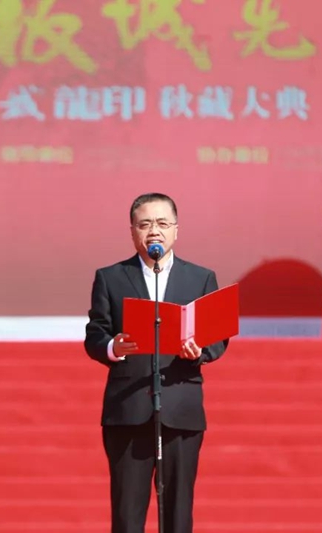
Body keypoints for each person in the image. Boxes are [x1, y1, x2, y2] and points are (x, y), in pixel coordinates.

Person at [84, 192, 229, 533]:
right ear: (132, 231)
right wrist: (113, 346)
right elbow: (95, 334)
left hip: (181, 407)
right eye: (145, 224)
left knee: (178, 512)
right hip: (129, 409)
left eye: (163, 223)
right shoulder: (111, 277)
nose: (154, 231)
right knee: (127, 514)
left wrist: (200, 350)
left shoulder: (201, 278)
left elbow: (218, 337)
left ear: (176, 229)